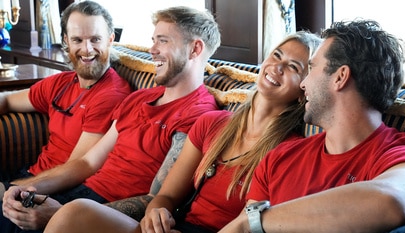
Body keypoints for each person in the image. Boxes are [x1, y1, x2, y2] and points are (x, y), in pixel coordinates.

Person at [43, 31, 322, 233]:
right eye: (277, 55)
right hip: (174, 226)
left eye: (293, 67)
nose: (277, 67)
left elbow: (253, 226)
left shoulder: (290, 150)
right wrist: (156, 216)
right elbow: (165, 197)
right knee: (74, 213)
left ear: (304, 89)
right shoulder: (212, 123)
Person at [1, 4, 220, 232]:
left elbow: (156, 200)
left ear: (195, 49)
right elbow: (87, 162)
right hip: (79, 196)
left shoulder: (199, 114)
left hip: (104, 215)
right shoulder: (138, 98)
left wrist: (61, 215)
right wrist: (26, 188)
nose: (152, 49)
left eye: (163, 41)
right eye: (153, 39)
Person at [218, 19, 405, 233]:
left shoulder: (400, 156)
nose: (304, 84)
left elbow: (393, 200)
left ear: (340, 77)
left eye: (311, 68)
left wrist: (252, 222)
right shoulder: (280, 157)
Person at [0, 1, 131, 196]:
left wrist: (13, 190)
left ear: (110, 39)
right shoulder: (61, 82)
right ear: (66, 41)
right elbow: (7, 100)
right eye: (77, 40)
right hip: (30, 175)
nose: (87, 49)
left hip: (55, 192)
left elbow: (78, 169)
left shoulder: (111, 95)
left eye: (95, 39)